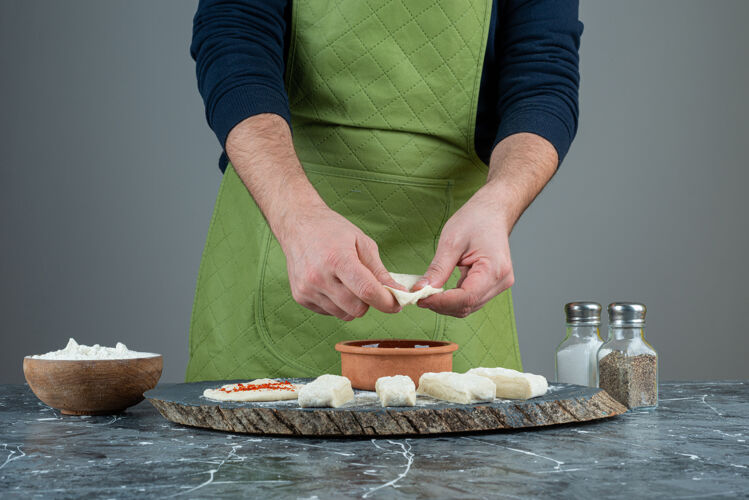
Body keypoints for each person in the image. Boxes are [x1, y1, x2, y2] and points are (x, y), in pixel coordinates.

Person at [185, 0, 582, 381]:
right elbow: (234, 34)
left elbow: (543, 75)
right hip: (280, 226)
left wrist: (500, 201)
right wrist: (295, 216)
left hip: (454, 266)